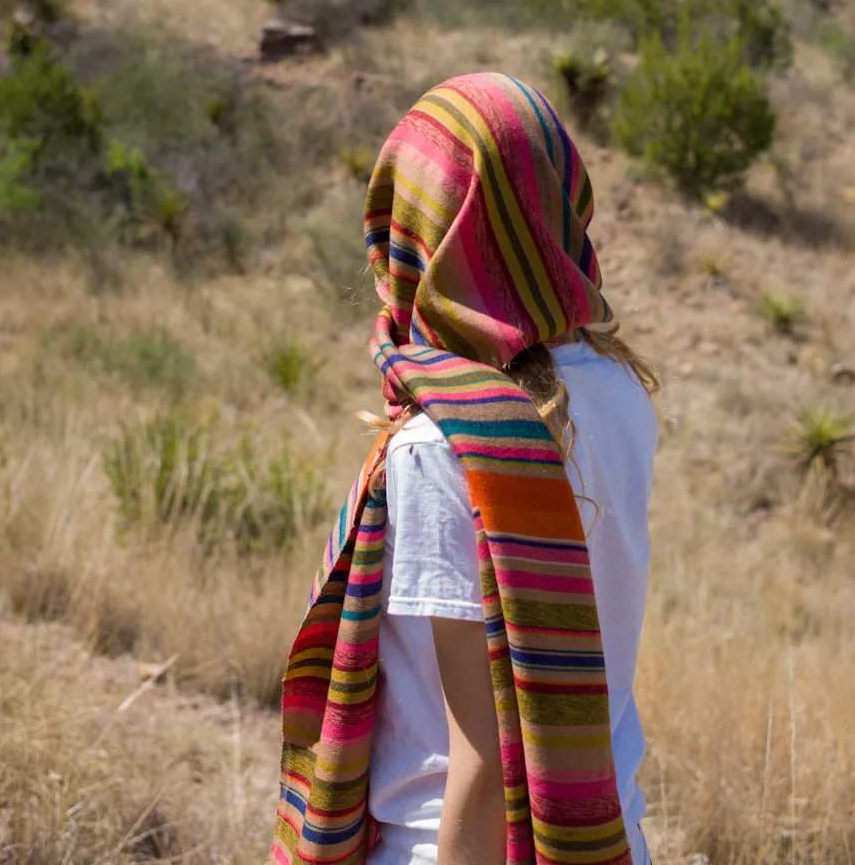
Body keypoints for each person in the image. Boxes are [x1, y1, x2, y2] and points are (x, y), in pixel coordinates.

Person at [266, 73, 659, 865]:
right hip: (605, 836)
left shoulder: (441, 446)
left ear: (419, 236)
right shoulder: (622, 392)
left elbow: (479, 764)